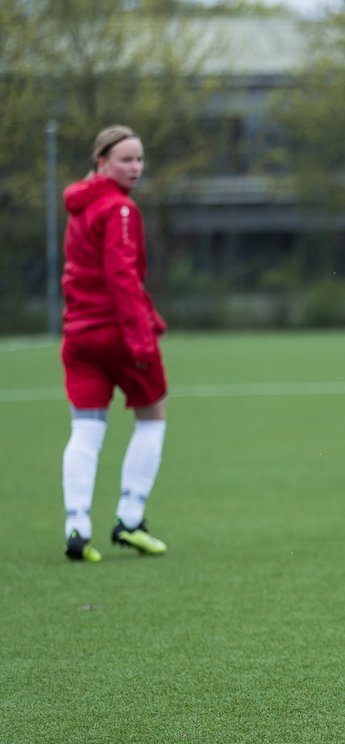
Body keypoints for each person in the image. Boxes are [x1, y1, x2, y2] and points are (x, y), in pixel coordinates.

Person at [60, 125, 169, 562]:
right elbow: (122, 278)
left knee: (85, 429)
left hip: (79, 336)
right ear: (101, 161)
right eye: (126, 159)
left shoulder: (79, 207)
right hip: (119, 334)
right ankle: (129, 518)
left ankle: (76, 524)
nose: (136, 167)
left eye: (140, 159)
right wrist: (142, 341)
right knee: (152, 418)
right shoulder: (120, 210)